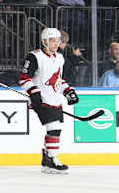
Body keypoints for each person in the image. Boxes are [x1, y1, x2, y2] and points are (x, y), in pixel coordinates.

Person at [19, 28, 79, 174]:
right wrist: (34, 92)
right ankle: (53, 159)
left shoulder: (59, 57)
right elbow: (24, 78)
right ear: (45, 41)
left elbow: (58, 80)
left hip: (54, 99)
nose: (56, 44)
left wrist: (67, 91)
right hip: (41, 100)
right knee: (54, 127)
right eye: (53, 41)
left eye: (58, 41)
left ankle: (47, 161)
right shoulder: (34, 56)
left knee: (54, 129)